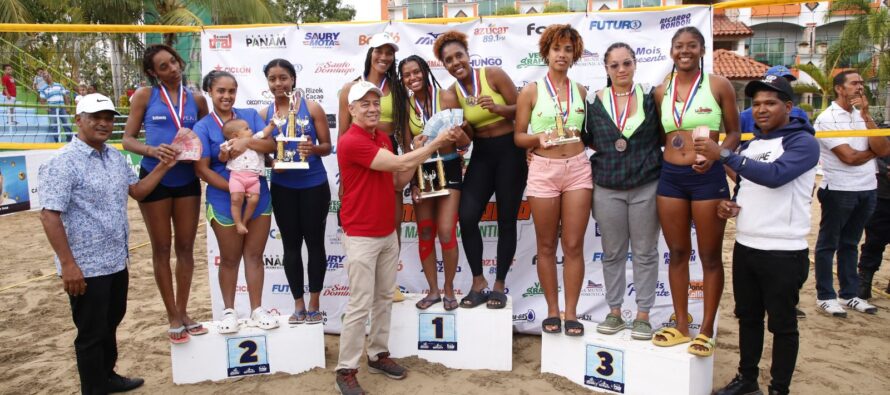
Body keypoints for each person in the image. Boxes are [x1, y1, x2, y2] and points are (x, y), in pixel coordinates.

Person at [38, 93, 169, 394]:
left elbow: (138, 191)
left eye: (109, 118)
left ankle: (107, 376)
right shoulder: (62, 163)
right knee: (91, 333)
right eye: (95, 117)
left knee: (111, 321)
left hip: (115, 259)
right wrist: (69, 265)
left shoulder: (113, 156)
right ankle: (93, 388)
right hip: (85, 266)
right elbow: (49, 216)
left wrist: (164, 165)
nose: (103, 123)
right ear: (78, 120)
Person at [697, 76, 819, 395]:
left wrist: (722, 154)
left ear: (788, 107)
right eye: (756, 104)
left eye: (770, 103)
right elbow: (748, 185)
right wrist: (732, 205)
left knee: (782, 325)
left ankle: (779, 389)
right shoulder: (753, 143)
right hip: (746, 246)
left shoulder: (802, 142)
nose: (761, 109)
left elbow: (776, 177)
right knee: (748, 318)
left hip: (783, 251)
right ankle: (747, 379)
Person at [335, 81, 458, 395]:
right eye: (365, 104)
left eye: (376, 103)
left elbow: (397, 180)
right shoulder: (352, 141)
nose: (373, 108)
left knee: (383, 300)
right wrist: (432, 144)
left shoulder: (381, 139)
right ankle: (346, 369)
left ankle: (378, 354)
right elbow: (399, 164)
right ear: (350, 110)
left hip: (386, 231)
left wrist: (418, 151)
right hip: (361, 233)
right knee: (360, 304)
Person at [652, 26, 741, 357]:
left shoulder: (718, 85)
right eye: (679, 46)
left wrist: (718, 155)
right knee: (676, 252)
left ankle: (706, 330)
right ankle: (681, 326)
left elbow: (734, 132)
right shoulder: (662, 91)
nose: (684, 51)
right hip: (671, 177)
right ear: (671, 51)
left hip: (707, 177)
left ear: (702, 50)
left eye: (691, 46)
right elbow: (663, 137)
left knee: (709, 255)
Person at [122, 44, 209, 343]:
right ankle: (171, 314)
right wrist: (151, 149)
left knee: (185, 249)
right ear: (152, 73)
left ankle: (183, 311)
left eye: (173, 62)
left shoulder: (197, 99)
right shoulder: (145, 96)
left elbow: (205, 136)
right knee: (161, 248)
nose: (172, 68)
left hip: (186, 180)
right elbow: (127, 139)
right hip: (155, 178)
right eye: (163, 66)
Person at [433, 30, 526, 309]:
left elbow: (522, 110)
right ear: (444, 64)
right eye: (448, 60)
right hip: (482, 154)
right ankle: (478, 282)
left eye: (458, 55)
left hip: (510, 151)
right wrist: (461, 132)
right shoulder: (452, 94)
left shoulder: (492, 74)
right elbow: (468, 137)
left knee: (506, 219)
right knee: (468, 215)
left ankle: (499, 285)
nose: (455, 62)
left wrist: (498, 108)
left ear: (467, 54)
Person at [513, 25, 590, 335]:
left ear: (575, 55)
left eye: (568, 50)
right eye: (557, 48)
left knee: (573, 245)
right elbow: (518, 137)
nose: (562, 54)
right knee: (546, 246)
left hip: (578, 169)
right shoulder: (531, 90)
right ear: (546, 52)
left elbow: (588, 134)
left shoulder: (582, 91)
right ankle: (552, 310)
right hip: (544, 170)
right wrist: (537, 140)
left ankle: (571, 312)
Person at [584, 42, 663, 340]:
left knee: (645, 253)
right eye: (614, 65)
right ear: (605, 69)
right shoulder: (593, 102)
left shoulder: (650, 96)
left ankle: (643, 315)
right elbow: (586, 139)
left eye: (626, 63)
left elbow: (664, 133)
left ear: (635, 64)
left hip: (647, 184)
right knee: (613, 253)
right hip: (607, 187)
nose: (621, 69)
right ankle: (614, 312)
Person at [194, 70, 279, 333]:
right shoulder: (203, 127)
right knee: (229, 259)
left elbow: (272, 146)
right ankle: (229, 312)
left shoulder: (250, 116)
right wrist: (234, 189)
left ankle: (257, 310)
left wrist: (246, 142)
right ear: (210, 91)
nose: (227, 96)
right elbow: (202, 169)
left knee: (254, 256)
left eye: (231, 91)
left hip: (258, 196)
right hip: (224, 199)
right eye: (221, 91)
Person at [259, 58, 333, 324]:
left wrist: (312, 149)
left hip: (313, 185)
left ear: (293, 79)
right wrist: (272, 163)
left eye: (283, 77)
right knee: (290, 247)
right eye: (272, 79)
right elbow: (263, 151)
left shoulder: (312, 107)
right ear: (267, 82)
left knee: (314, 245)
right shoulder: (265, 114)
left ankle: (314, 303)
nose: (278, 83)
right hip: (283, 188)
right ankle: (298, 305)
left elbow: (327, 147)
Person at [394, 55, 470, 311]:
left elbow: (465, 141)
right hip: (421, 170)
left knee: (447, 230)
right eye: (407, 75)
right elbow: (406, 145)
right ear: (402, 80)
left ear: (425, 71)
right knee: (425, 231)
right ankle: (433, 291)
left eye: (416, 72)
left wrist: (460, 137)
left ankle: (449, 289)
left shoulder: (446, 97)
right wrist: (413, 176)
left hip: (448, 166)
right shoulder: (405, 105)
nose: (413, 78)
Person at [337, 32, 408, 303]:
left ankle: (390, 284)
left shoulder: (397, 88)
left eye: (390, 53)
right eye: (380, 51)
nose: (384, 57)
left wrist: (410, 155)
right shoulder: (350, 88)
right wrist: (344, 175)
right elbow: (343, 133)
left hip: (388, 148)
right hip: (359, 151)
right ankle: (369, 284)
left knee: (393, 217)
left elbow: (401, 128)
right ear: (370, 53)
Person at [813, 70, 890, 317]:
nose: (860, 87)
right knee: (828, 244)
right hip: (839, 188)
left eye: (861, 83)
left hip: (867, 188)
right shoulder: (828, 118)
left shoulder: (861, 115)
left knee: (851, 243)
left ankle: (849, 294)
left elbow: (884, 148)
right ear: (839, 88)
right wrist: (873, 153)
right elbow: (849, 157)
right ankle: (825, 295)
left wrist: (867, 114)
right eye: (854, 83)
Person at [219, 119, 277, 235]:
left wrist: (272, 125)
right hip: (237, 177)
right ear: (236, 135)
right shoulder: (229, 143)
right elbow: (222, 159)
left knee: (254, 200)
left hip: (254, 178)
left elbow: (264, 133)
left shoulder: (254, 139)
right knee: (236, 199)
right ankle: (238, 222)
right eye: (246, 129)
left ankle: (244, 221)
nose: (250, 130)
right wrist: (224, 153)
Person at [738, 66, 811, 134]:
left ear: (788, 107)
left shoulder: (799, 113)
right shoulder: (744, 116)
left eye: (787, 83)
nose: (783, 86)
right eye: (778, 82)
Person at [858, 153, 890, 300]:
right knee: (875, 240)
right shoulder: (882, 130)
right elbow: (875, 152)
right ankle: (865, 282)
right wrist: (885, 170)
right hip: (883, 194)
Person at [39, 72, 73, 142]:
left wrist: (67, 107)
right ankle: (56, 140)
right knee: (54, 125)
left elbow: (65, 96)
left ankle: (70, 138)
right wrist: (46, 108)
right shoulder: (43, 88)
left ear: (51, 76)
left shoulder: (59, 85)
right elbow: (42, 101)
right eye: (45, 77)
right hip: (52, 109)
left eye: (48, 75)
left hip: (62, 107)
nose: (47, 77)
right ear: (43, 79)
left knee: (66, 123)